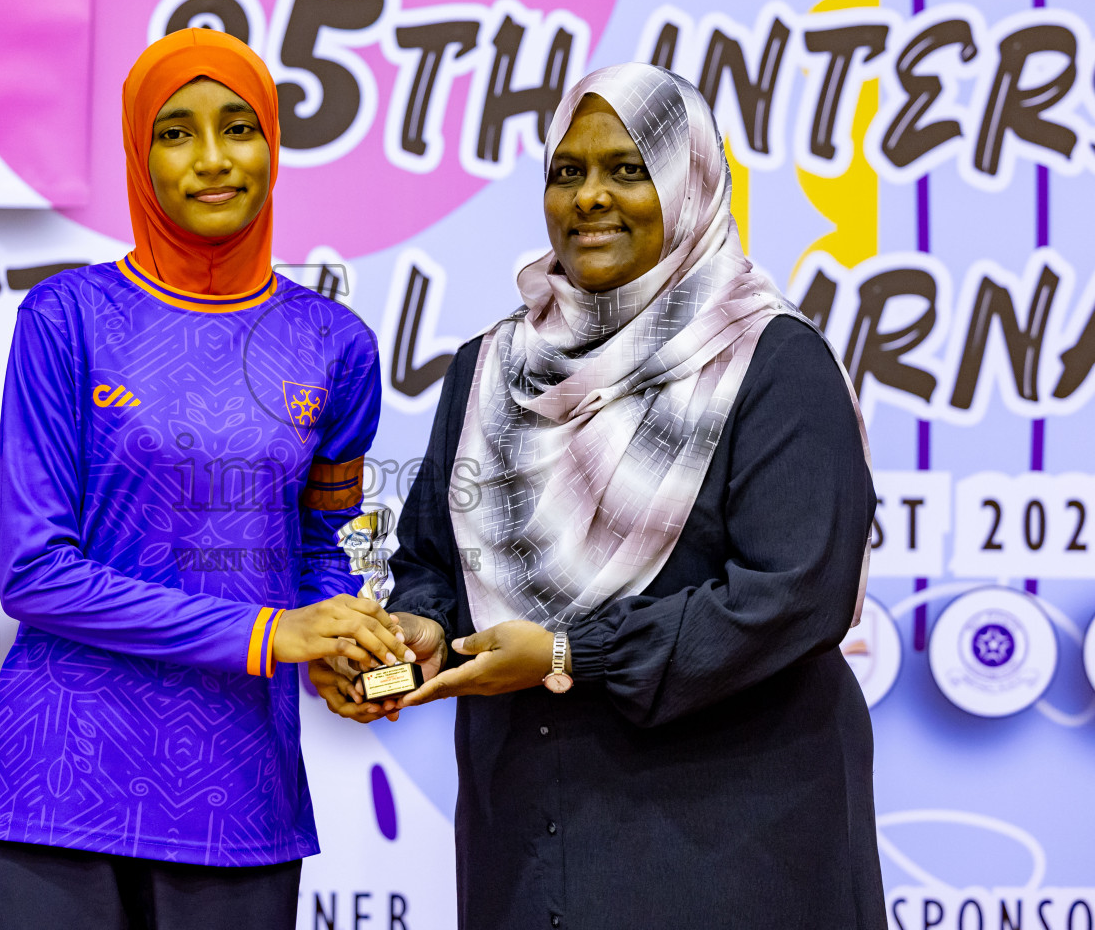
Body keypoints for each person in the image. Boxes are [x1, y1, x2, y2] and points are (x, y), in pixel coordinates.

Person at [310, 63, 885, 929]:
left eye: (627, 168)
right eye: (567, 172)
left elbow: (793, 597)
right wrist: (425, 628)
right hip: (530, 837)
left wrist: (571, 655)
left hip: (732, 838)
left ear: (690, 182)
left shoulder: (768, 362)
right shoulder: (492, 369)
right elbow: (431, 557)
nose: (590, 198)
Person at [0, 28, 410, 930]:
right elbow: (35, 573)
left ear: (274, 146)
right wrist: (272, 634)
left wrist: (347, 652)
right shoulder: (67, 318)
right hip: (62, 782)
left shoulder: (335, 345)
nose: (213, 160)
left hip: (238, 792)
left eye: (238, 127)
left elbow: (324, 543)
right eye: (175, 133)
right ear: (140, 152)